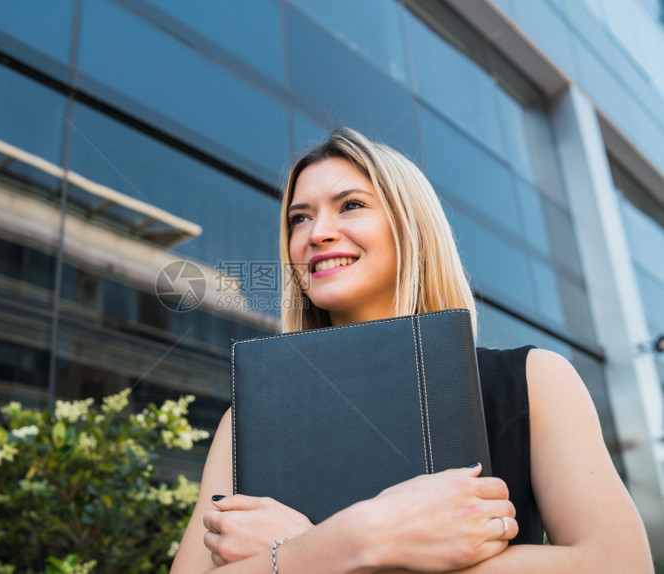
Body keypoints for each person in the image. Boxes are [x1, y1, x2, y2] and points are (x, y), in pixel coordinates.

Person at [170, 127, 653, 573]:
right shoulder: (250, 419)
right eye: (300, 218)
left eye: (351, 205)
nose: (317, 233)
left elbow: (621, 563)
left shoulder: (532, 380)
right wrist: (362, 538)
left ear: (410, 227)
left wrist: (308, 554)